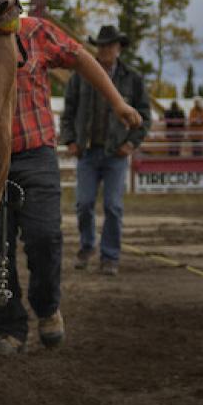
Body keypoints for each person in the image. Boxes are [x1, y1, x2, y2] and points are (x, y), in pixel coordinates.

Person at [0, 15, 143, 356]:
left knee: (44, 236)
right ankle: (10, 329)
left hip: (36, 152)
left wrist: (117, 102)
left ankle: (46, 308)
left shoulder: (34, 31)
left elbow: (78, 56)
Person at [59, 25, 152, 276]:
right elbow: (68, 113)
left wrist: (131, 143)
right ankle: (88, 246)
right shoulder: (80, 77)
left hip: (116, 154)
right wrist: (70, 140)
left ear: (119, 47)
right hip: (88, 152)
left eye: (109, 45)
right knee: (84, 203)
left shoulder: (132, 79)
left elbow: (145, 117)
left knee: (112, 206)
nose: (105, 50)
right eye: (101, 46)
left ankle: (109, 256)